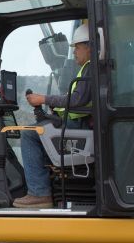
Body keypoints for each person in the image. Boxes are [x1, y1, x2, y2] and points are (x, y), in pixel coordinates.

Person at [14, 24, 93, 208]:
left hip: (79, 127)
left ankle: (39, 193)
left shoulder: (91, 69)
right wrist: (53, 109)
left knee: (30, 135)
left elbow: (77, 100)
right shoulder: (89, 69)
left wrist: (43, 98)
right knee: (40, 129)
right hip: (79, 123)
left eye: (77, 48)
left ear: (89, 47)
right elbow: (76, 100)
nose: (74, 53)